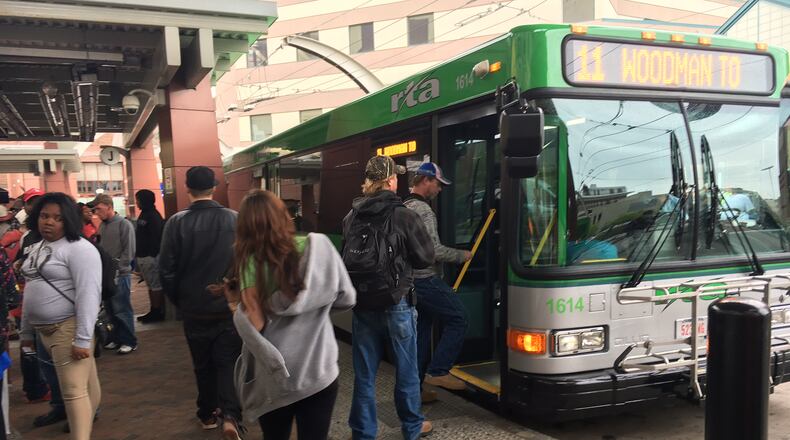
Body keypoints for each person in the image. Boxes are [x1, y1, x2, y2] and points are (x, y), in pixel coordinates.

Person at [224, 189, 355, 440]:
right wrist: (317, 308)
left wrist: (234, 305)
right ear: (283, 216)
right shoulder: (320, 248)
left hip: (275, 380)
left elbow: (257, 325)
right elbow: (347, 297)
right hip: (319, 371)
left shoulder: (250, 262)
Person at [344, 155, 435, 440]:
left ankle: (363, 433)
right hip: (398, 303)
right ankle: (411, 427)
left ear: (369, 181)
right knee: (406, 370)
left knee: (365, 375)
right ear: (391, 180)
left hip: (363, 304)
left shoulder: (351, 216)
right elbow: (425, 258)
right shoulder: (404, 215)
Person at [159, 166, 244, 439]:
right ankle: (231, 415)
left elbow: (167, 270)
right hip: (228, 309)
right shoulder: (235, 219)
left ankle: (207, 413)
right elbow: (245, 263)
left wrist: (180, 300)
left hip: (194, 310)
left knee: (202, 364)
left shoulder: (176, 223)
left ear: (187, 188)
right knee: (228, 362)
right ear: (215, 186)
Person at [19, 192, 102, 440]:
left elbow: (89, 294)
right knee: (86, 384)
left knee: (74, 392)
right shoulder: (37, 246)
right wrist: (25, 332)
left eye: (57, 218)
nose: (49, 222)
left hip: (68, 328)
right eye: (44, 216)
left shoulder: (80, 249)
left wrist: (83, 338)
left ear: (69, 220)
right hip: (44, 331)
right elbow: (31, 290)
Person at [404, 163, 472, 400]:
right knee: (459, 318)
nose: (440, 190)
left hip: (410, 282)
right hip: (425, 279)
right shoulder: (423, 211)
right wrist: (462, 255)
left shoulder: (404, 207)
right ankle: (438, 370)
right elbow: (433, 251)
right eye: (438, 184)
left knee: (421, 335)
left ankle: (416, 390)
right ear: (425, 181)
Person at [89, 193, 137, 354]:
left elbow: (129, 251)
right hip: (107, 273)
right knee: (110, 309)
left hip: (120, 274)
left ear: (109, 207)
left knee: (121, 308)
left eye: (99, 208)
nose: (96, 212)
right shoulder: (103, 225)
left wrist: (119, 268)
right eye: (95, 209)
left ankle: (129, 340)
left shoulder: (124, 224)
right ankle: (117, 338)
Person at [133, 190, 165, 323]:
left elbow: (156, 236)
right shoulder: (145, 214)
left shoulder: (152, 215)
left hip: (150, 257)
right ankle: (153, 310)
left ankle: (157, 312)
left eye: (138, 199)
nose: (137, 202)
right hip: (144, 256)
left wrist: (151, 254)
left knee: (155, 285)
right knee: (151, 285)